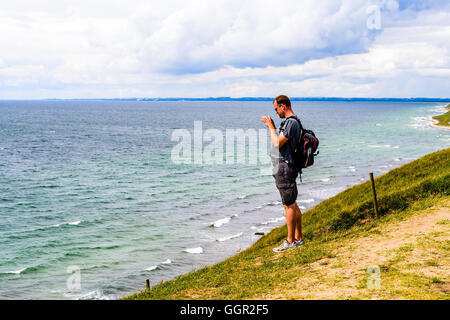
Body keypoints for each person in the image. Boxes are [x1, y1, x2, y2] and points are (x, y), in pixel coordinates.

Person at [261, 95, 305, 252]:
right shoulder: (291, 122)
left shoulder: (291, 122)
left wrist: (270, 127)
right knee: (291, 203)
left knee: (288, 205)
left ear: (283, 106)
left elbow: (277, 142)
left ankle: (290, 241)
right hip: (285, 166)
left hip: (284, 167)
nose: (276, 112)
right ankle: (298, 239)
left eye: (276, 109)